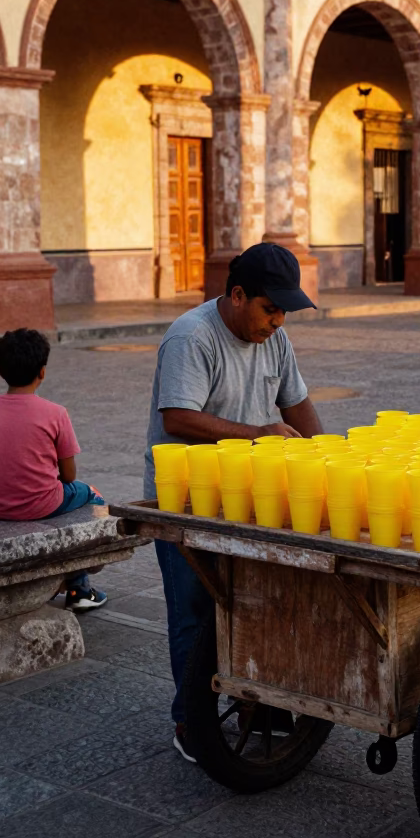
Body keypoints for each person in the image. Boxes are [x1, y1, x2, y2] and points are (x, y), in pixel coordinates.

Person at [145, 243, 322, 761]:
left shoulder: (276, 339)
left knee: (259, 600)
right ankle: (189, 721)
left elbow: (299, 406)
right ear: (238, 295)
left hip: (248, 495)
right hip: (185, 498)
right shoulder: (192, 336)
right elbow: (178, 417)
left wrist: (329, 461)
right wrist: (258, 435)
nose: (278, 321)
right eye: (270, 309)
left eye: (284, 311)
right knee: (195, 612)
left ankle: (256, 702)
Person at [0, 328, 107, 611]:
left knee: (61, 497)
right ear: (42, 372)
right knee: (90, 495)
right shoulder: (55, 413)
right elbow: (69, 476)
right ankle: (80, 588)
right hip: (42, 503)